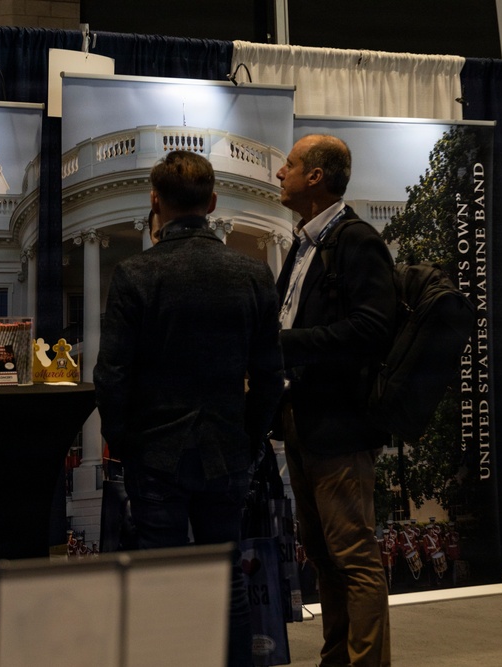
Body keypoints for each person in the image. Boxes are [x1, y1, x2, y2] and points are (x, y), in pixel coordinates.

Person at [93, 150, 285, 667]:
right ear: (214, 202)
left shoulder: (135, 274)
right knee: (227, 579)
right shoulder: (252, 275)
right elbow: (269, 377)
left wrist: (124, 440)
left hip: (155, 453)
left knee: (164, 580)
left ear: (154, 201)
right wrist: (249, 437)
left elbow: (112, 374)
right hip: (227, 449)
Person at [274, 133, 396, 667]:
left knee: (354, 555)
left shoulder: (357, 241)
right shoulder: (304, 243)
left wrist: (282, 345)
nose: (281, 172)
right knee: (323, 553)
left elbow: (373, 330)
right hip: (302, 421)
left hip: (340, 426)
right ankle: (336, 658)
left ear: (316, 177)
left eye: (291, 164)